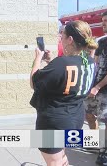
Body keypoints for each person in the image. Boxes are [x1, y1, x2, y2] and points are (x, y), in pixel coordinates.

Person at [30, 20, 98, 166]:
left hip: (54, 122)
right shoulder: (90, 62)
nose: (60, 38)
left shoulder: (61, 63)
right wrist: (50, 62)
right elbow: (69, 78)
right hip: (76, 119)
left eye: (62, 35)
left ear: (70, 39)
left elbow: (33, 83)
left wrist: (38, 58)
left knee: (54, 161)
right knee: (61, 157)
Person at [84, 10, 107, 166]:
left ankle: (103, 152)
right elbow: (94, 65)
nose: (103, 23)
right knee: (89, 115)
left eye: (106, 20)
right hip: (94, 88)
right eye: (103, 20)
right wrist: (89, 84)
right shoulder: (101, 42)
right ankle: (95, 142)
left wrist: (98, 86)